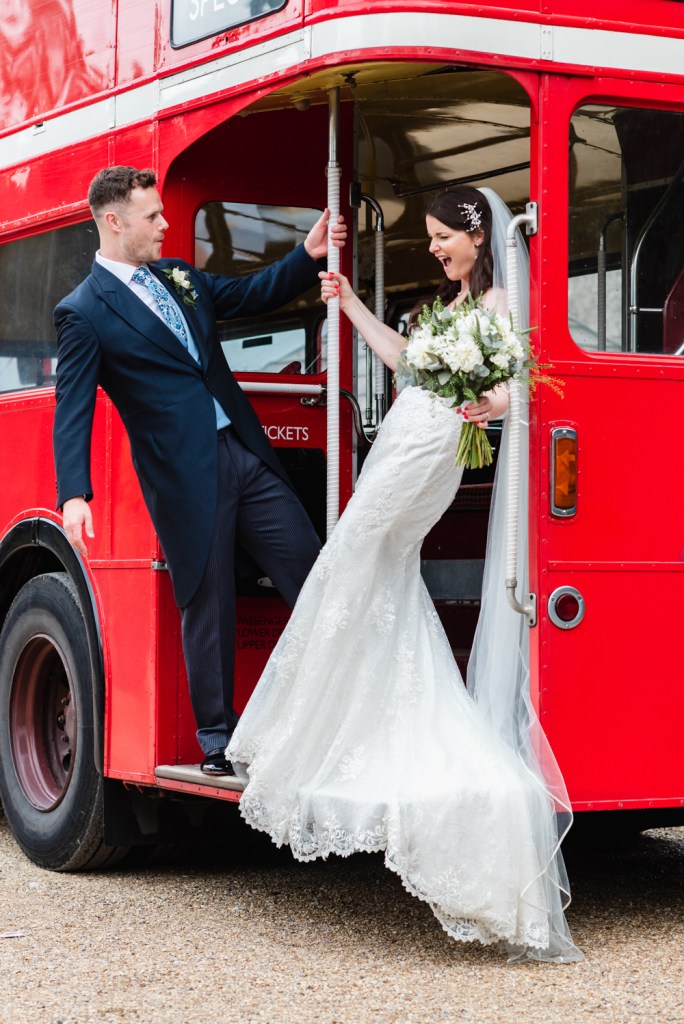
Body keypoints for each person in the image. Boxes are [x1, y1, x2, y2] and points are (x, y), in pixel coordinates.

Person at [227, 186, 583, 962]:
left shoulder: (495, 304)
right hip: (404, 442)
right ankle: (333, 722)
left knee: (352, 561)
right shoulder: (454, 303)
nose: (432, 250)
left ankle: (305, 728)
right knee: (367, 572)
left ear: (474, 234)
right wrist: (348, 303)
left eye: (438, 239)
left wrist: (479, 403)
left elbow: (508, 390)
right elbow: (402, 358)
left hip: (426, 455)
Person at [53, 165, 346, 776]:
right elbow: (72, 406)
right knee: (207, 600)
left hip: (243, 451)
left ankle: (339, 712)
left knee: (313, 570)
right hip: (183, 475)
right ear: (114, 222)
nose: (165, 224)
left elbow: (249, 295)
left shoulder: (180, 275)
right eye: (152, 216)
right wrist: (74, 494)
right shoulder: (82, 311)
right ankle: (218, 739)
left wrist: (306, 255)